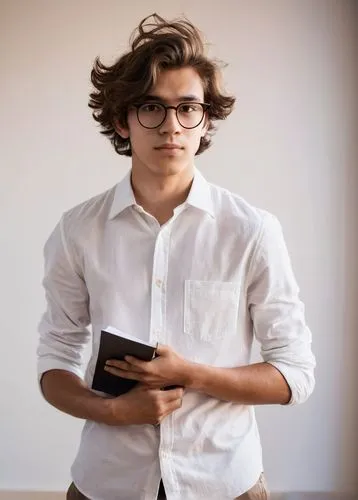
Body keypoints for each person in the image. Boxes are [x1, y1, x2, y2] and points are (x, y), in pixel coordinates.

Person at [37, 13, 316, 500]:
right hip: (108, 481)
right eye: (151, 107)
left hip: (225, 482)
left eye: (188, 108)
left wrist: (191, 374)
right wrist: (112, 411)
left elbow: (295, 374)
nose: (171, 126)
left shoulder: (252, 231)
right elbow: (54, 361)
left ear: (205, 119)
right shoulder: (77, 231)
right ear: (123, 118)